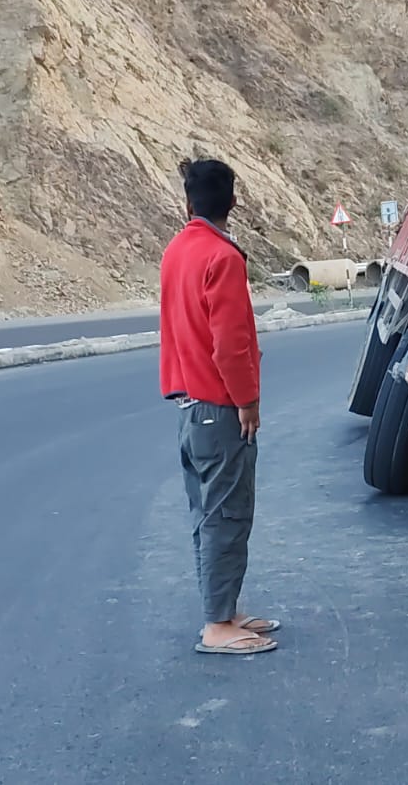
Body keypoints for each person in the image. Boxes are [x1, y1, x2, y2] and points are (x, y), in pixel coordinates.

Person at [159, 158, 279, 655]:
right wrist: (247, 402)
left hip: (190, 406)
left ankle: (224, 608)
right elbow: (228, 343)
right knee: (227, 514)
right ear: (233, 202)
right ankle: (216, 625)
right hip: (219, 406)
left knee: (208, 513)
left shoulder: (175, 252)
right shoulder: (222, 257)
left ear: (187, 203)